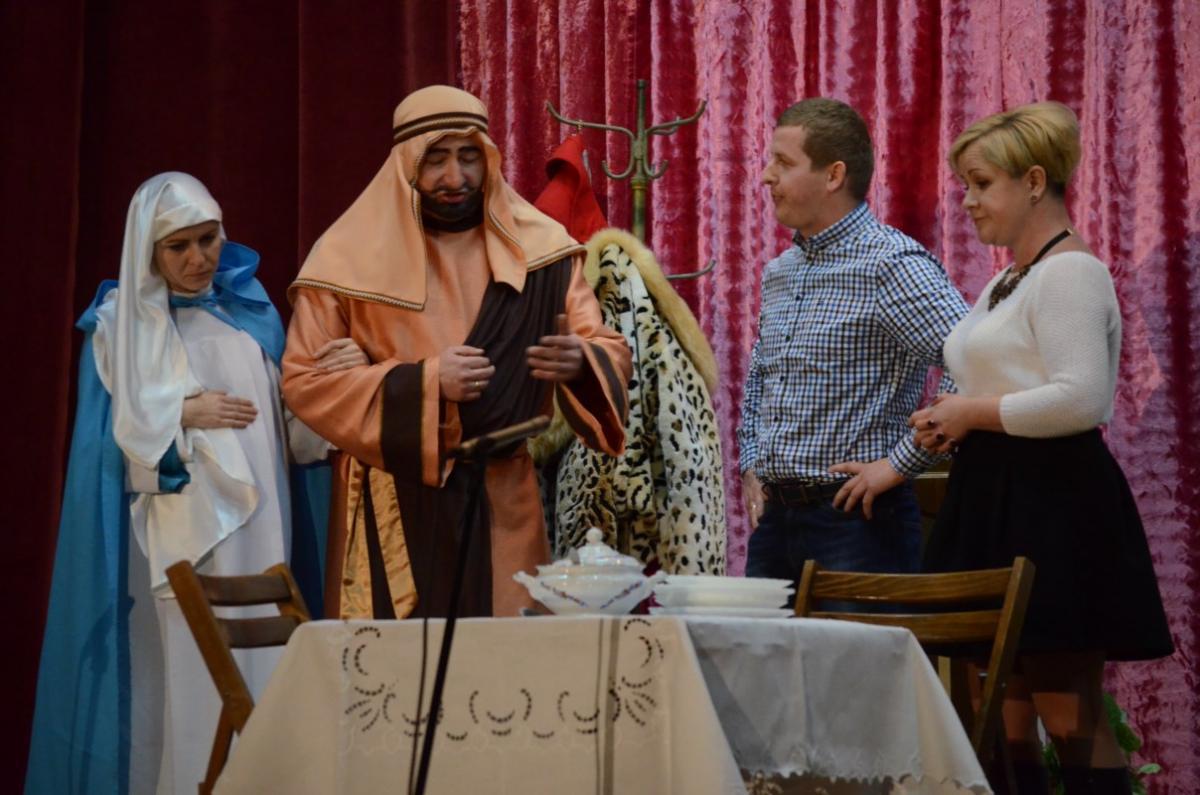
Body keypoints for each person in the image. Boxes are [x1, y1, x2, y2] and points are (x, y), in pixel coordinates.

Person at [25, 173, 354, 795]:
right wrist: (180, 415)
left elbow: (293, 433)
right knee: (194, 684)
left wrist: (337, 382)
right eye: (178, 246)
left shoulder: (249, 315)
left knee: (267, 672)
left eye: (209, 239)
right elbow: (106, 458)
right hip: (186, 540)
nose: (199, 258)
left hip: (266, 531)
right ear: (147, 249)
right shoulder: (120, 328)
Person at [282, 85, 631, 620]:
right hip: (391, 501)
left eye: (469, 156)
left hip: (503, 495)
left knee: (504, 657)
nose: (455, 177)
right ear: (406, 163)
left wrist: (580, 361)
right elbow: (305, 381)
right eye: (436, 159)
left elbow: (606, 346)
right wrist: (424, 382)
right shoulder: (343, 260)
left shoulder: (544, 249)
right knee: (398, 664)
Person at [914, 102, 1173, 793]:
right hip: (996, 495)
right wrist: (948, 418)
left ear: (1034, 181)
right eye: (965, 185)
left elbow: (1081, 398)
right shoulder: (1008, 279)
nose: (967, 201)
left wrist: (971, 411)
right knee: (1000, 713)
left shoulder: (1069, 273)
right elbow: (1007, 380)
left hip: (1052, 501)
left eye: (981, 183)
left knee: (1066, 711)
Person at [738, 98, 969, 585]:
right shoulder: (781, 271)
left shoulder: (892, 264)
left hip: (857, 521)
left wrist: (899, 464)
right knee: (758, 640)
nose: (765, 176)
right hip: (777, 522)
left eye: (783, 162)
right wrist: (751, 464)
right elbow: (761, 374)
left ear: (833, 175)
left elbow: (972, 363)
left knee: (856, 642)